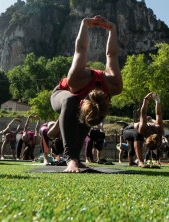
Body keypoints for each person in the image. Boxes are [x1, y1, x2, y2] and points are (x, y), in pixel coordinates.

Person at [51, 15, 122, 172]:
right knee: (70, 101)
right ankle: (70, 159)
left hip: (80, 101)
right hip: (60, 94)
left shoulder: (114, 86)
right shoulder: (77, 78)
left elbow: (112, 55)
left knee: (82, 114)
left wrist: (113, 29)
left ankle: (75, 157)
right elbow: (80, 49)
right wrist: (84, 24)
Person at [123, 92, 163, 168]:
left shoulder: (143, 130)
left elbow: (144, 113)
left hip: (135, 132)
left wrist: (147, 99)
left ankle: (132, 162)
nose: (151, 125)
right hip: (127, 129)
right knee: (137, 135)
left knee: (137, 138)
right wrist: (157, 101)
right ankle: (140, 162)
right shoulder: (159, 128)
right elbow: (158, 114)